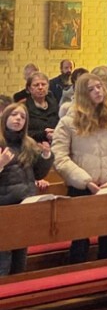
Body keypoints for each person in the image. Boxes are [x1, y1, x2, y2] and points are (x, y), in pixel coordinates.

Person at [51, 73, 107, 264]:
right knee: (80, 242)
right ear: (82, 94)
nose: (98, 91)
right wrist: (85, 181)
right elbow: (59, 157)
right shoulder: (68, 121)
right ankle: (77, 277)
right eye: (91, 89)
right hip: (81, 188)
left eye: (99, 87)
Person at [0, 102, 52, 276]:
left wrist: (46, 156)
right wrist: (1, 164)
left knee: (21, 253)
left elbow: (38, 174)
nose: (18, 119)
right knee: (3, 255)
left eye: (22, 117)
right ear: (5, 118)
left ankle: (17, 288)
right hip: (4, 208)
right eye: (14, 115)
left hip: (25, 205)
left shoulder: (28, 143)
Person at [23, 71, 61, 145]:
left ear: (48, 86)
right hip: (34, 145)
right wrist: (44, 134)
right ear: (29, 89)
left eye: (43, 84)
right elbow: (24, 133)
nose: (40, 87)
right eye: (36, 85)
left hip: (56, 143)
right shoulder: (24, 107)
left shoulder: (55, 103)